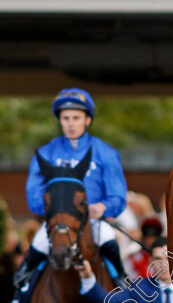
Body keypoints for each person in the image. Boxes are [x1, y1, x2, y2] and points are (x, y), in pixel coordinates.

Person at [15, 88, 128, 286]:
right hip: (57, 221)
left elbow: (118, 196)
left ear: (88, 120)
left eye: (76, 117)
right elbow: (34, 196)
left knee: (110, 244)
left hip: (93, 221)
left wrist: (103, 207)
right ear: (60, 120)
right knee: (35, 250)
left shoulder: (106, 153)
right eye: (66, 118)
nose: (71, 123)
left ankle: (123, 286)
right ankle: (21, 297)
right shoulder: (46, 152)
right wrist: (58, 211)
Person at [77, 236, 173, 303]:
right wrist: (88, 277)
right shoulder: (141, 288)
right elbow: (108, 302)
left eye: (168, 258)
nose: (163, 264)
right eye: (158, 259)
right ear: (151, 261)